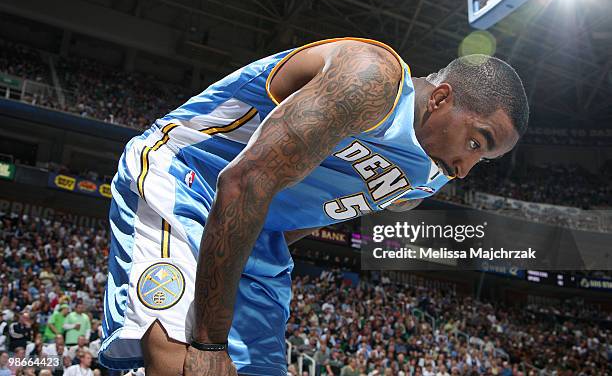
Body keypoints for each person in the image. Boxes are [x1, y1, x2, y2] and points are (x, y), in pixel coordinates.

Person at [98, 37, 528, 375]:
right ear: (440, 99)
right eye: (475, 142)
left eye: (482, 159)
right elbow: (243, 181)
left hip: (255, 227)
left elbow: (316, 213)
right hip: (190, 176)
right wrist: (210, 343)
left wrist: (268, 251)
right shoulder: (371, 78)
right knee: (186, 364)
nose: (464, 169)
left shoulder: (427, 177)